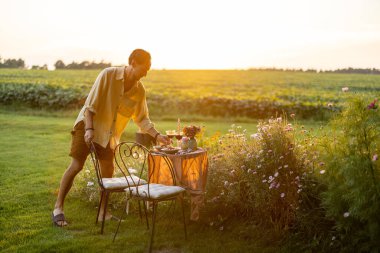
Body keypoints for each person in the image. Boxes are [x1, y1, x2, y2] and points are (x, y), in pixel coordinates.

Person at [52, 49, 170, 226]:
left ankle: (103, 212)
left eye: (149, 69)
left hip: (109, 135)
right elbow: (89, 106)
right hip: (87, 124)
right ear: (133, 63)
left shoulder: (139, 91)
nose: (146, 73)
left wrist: (157, 135)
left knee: (108, 171)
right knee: (77, 165)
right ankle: (58, 207)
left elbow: (142, 119)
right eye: (144, 69)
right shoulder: (108, 75)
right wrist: (89, 130)